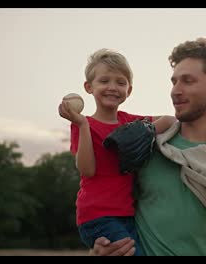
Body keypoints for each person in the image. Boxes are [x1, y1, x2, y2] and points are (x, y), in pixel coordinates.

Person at [90, 37, 206, 256]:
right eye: (174, 82)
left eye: (188, 81)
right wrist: (100, 251)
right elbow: (107, 210)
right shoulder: (148, 148)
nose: (175, 91)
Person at [58, 48, 176, 256]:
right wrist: (83, 125)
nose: (112, 87)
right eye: (104, 81)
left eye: (120, 82)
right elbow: (87, 170)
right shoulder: (83, 124)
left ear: (129, 90)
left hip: (129, 214)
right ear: (89, 87)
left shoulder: (129, 122)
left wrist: (148, 131)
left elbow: (170, 120)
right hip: (97, 215)